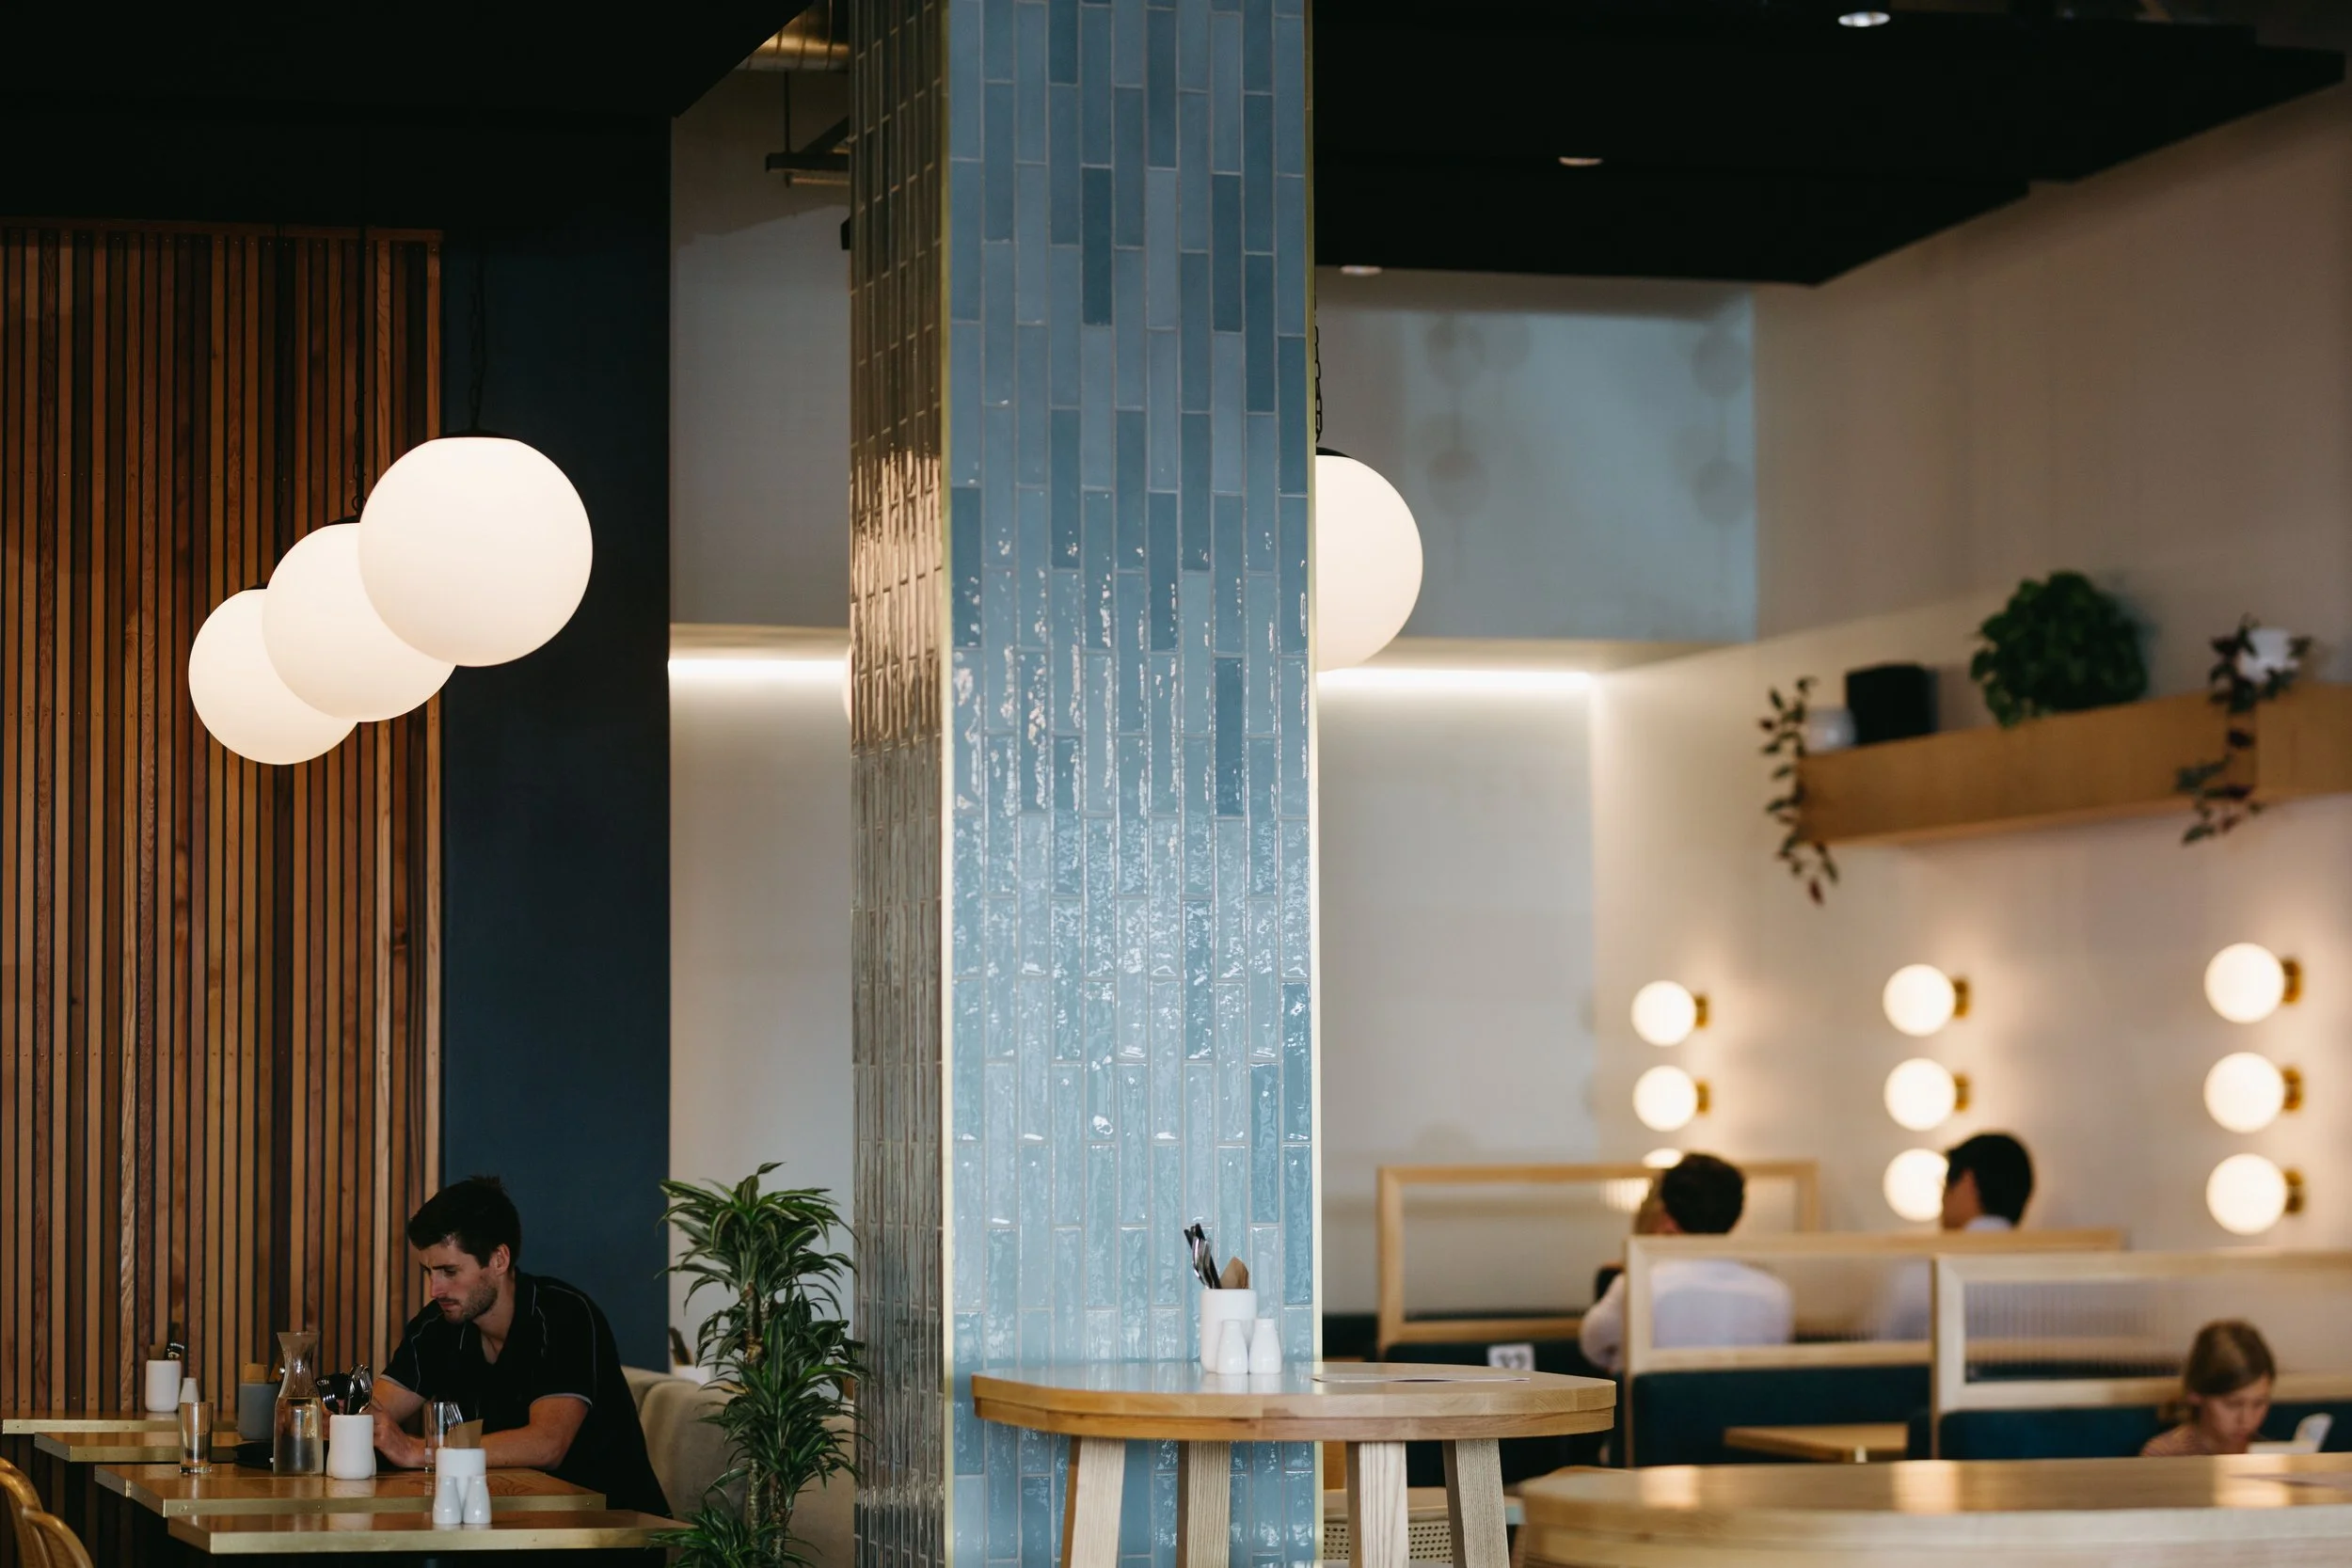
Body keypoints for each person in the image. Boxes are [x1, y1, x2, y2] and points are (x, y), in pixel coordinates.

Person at [371, 1177, 669, 1516]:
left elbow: (547, 1444)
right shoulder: (438, 1325)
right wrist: (336, 1416)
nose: (435, 1290)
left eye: (449, 1271)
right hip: (509, 1522)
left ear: (499, 1259)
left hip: (610, 1532)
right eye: (428, 1272)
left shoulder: (563, 1316)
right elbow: (375, 1413)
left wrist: (420, 1451)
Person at [1579, 1154, 1792, 1376]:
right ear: (1737, 1218)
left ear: (1667, 1217)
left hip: (1653, 1409)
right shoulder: (1775, 1293)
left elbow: (1593, 1348)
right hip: (1750, 1409)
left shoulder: (1636, 1286)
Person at [1877, 1132, 2036, 1340]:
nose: (1942, 1200)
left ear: (1966, 1183)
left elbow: (1879, 1351)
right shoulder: (2065, 1281)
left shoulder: (1922, 1277)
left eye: (1944, 1185)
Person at [2142, 1321, 2275, 1456]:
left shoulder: (2272, 1455)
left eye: (2259, 1403)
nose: (2246, 1420)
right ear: (2195, 1393)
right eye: (2232, 1404)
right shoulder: (2164, 1455)